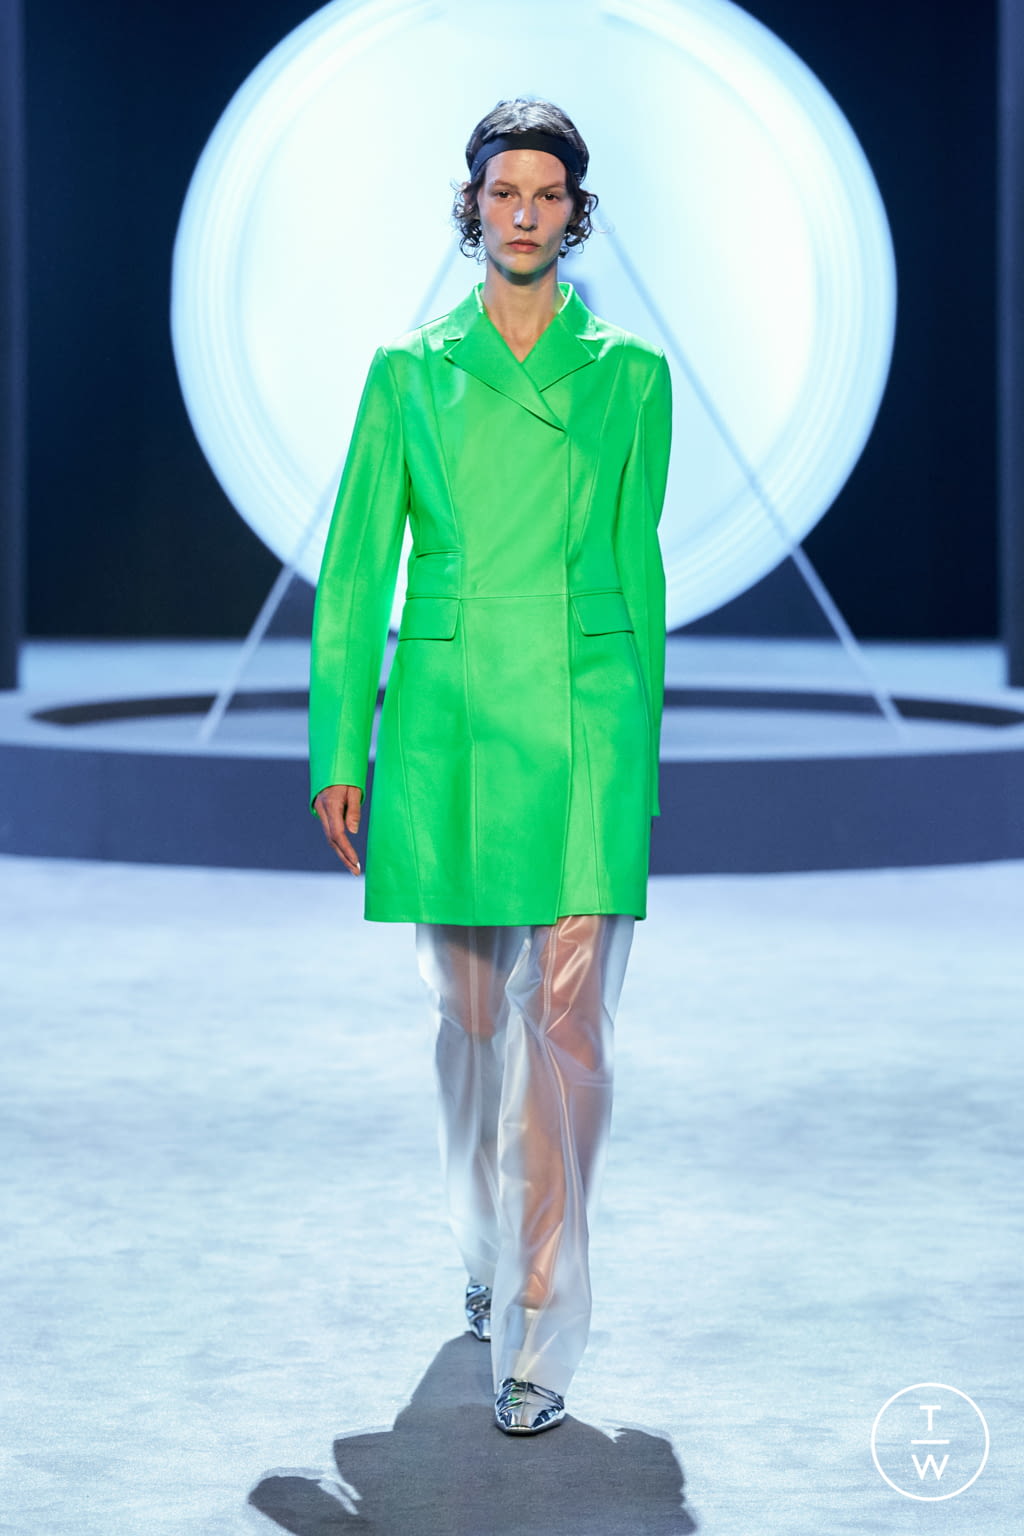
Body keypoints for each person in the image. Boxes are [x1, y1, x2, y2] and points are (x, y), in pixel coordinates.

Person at [309, 97, 672, 1435]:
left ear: (577, 212)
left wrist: (640, 755)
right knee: (470, 1020)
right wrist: (338, 742)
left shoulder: (631, 376)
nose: (525, 212)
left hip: (584, 714)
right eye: (504, 191)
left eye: (547, 193)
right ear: (472, 208)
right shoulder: (408, 372)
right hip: (451, 720)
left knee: (567, 1032)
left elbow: (639, 567)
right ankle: (481, 1238)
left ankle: (541, 1324)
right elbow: (358, 571)